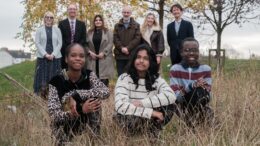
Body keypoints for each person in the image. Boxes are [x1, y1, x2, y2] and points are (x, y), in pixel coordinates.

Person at [48, 43, 110, 145]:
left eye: (81, 56)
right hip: (65, 129)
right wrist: (80, 109)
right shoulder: (55, 81)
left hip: (86, 126)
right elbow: (54, 116)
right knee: (65, 104)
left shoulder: (89, 75)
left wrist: (77, 94)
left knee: (95, 99)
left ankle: (93, 139)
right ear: (66, 59)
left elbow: (105, 92)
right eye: (73, 55)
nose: (78, 58)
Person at [114, 44, 176, 141]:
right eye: (138, 57)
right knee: (124, 114)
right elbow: (120, 106)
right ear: (134, 59)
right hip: (130, 118)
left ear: (151, 62)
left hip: (149, 116)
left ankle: (153, 134)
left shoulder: (157, 79)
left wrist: (143, 103)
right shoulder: (124, 78)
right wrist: (151, 112)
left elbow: (171, 95)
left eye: (146, 58)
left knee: (170, 105)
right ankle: (132, 136)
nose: (141, 61)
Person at [169, 37, 213, 127]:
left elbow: (208, 95)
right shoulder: (175, 69)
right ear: (181, 52)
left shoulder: (206, 69)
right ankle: (191, 120)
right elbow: (175, 96)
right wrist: (191, 86)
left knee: (199, 92)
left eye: (195, 50)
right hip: (183, 103)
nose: (191, 53)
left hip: (200, 101)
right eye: (187, 50)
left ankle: (198, 119)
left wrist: (201, 87)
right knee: (194, 92)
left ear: (198, 52)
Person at [33, 11, 62, 97]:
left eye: (51, 17)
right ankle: (42, 97)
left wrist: (53, 54)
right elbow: (37, 43)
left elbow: (60, 43)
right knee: (42, 79)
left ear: (53, 19)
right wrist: (45, 54)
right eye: (47, 17)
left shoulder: (57, 30)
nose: (49, 19)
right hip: (42, 58)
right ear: (44, 18)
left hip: (55, 58)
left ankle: (53, 97)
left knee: (54, 78)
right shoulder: (39, 30)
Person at [86, 15, 114, 86]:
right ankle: (94, 95)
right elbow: (85, 44)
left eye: (99, 20)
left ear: (102, 21)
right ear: (94, 22)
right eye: (96, 20)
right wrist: (89, 52)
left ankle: (104, 94)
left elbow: (110, 43)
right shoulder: (89, 32)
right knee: (93, 78)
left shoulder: (108, 32)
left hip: (104, 58)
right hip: (92, 58)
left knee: (103, 80)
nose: (98, 21)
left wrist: (104, 53)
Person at [114, 5, 142, 76]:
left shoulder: (136, 25)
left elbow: (137, 38)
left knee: (132, 76)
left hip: (132, 55)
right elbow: (115, 38)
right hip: (120, 55)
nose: (126, 14)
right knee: (121, 76)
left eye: (128, 12)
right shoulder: (117, 26)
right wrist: (122, 48)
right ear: (122, 13)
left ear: (130, 13)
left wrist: (128, 48)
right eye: (124, 12)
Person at [58, 3, 87, 69]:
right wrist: (68, 49)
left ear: (76, 11)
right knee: (65, 73)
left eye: (74, 9)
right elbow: (60, 38)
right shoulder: (61, 23)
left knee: (77, 72)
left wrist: (76, 48)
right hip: (65, 52)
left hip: (78, 54)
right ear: (67, 11)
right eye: (70, 9)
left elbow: (83, 38)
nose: (72, 11)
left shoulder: (82, 24)